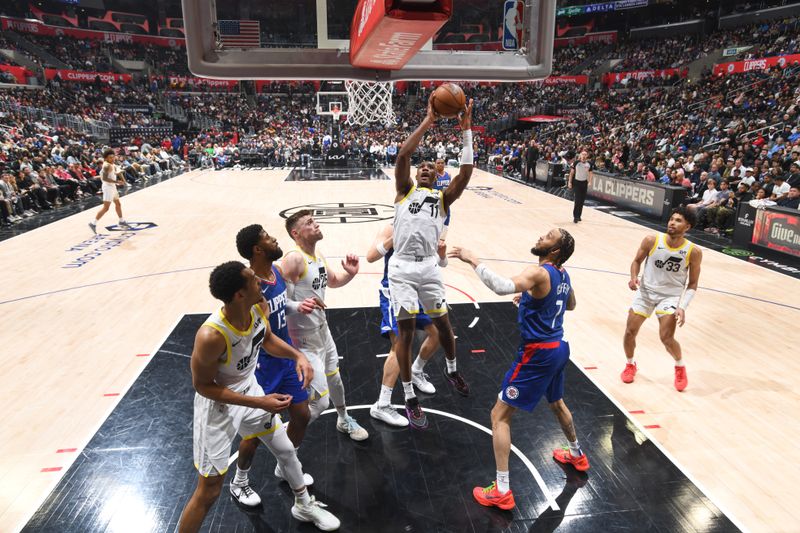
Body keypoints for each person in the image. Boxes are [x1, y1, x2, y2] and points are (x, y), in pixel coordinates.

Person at [178, 261, 339, 532]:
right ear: (239, 294)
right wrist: (259, 402)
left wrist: (297, 355)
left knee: (286, 449)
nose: (261, 282)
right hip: (218, 408)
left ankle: (303, 504)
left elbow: (265, 339)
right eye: (253, 280)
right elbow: (203, 386)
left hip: (249, 390)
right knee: (209, 491)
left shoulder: (257, 308)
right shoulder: (211, 335)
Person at [448, 228, 589, 511]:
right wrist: (531, 300)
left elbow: (501, 286)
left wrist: (472, 259)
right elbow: (569, 304)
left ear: (555, 251)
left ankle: (501, 490)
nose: (540, 237)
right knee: (557, 403)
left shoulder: (539, 273)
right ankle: (577, 455)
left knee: (499, 415)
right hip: (559, 348)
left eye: (548, 237)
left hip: (537, 354)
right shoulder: (563, 274)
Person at [389, 94, 473, 429]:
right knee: (406, 333)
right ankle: (409, 395)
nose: (423, 167)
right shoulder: (404, 191)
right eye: (420, 166)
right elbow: (403, 154)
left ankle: (452, 371)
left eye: (429, 167)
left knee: (444, 326)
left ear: (437, 177)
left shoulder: (443, 197)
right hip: (402, 268)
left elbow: (465, 173)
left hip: (427, 267)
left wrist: (465, 130)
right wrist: (429, 121)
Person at [231, 224, 321, 507]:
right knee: (257, 432)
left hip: (285, 358)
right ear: (258, 249)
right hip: (263, 366)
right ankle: (239, 482)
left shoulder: (277, 273)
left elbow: (284, 304)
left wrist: (299, 305)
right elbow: (257, 332)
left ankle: (285, 465)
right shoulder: (249, 286)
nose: (274, 239)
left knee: (302, 415)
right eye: (268, 238)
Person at [281, 210, 369, 441]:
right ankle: (282, 440)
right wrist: (298, 305)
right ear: (296, 233)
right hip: (303, 340)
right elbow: (279, 303)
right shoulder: (294, 259)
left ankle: (343, 419)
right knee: (320, 403)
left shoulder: (316, 255)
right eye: (310, 223)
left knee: (336, 379)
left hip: (323, 332)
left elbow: (333, 281)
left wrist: (349, 274)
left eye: (314, 220)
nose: (316, 224)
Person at [366, 223, 444, 427]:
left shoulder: (428, 225)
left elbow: (435, 261)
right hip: (394, 290)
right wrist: (396, 236)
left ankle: (416, 370)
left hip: (418, 289)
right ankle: (382, 405)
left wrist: (440, 255)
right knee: (399, 344)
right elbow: (371, 256)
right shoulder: (391, 227)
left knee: (438, 332)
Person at [621, 206, 703, 392]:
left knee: (666, 338)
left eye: (678, 221)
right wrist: (634, 277)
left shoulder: (693, 252)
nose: (672, 223)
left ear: (687, 227)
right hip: (646, 293)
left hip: (670, 296)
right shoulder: (652, 240)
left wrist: (683, 306)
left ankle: (679, 366)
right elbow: (636, 261)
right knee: (629, 332)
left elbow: (692, 284)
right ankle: (630, 364)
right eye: (671, 219)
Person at [89, 148, 130, 234]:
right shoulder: (106, 165)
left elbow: (118, 172)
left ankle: (121, 221)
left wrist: (124, 181)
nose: (113, 158)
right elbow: (104, 178)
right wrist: (117, 182)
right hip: (107, 187)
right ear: (106, 158)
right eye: (110, 157)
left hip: (112, 187)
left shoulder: (112, 164)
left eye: (113, 157)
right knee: (106, 208)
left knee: (118, 204)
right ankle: (93, 223)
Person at [567, 150, 593, 223]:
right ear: (580, 155)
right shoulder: (576, 163)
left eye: (585, 154)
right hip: (577, 183)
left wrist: (590, 181)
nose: (584, 156)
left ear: (587, 156)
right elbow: (571, 173)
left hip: (584, 183)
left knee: (582, 200)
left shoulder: (589, 164)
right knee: (577, 200)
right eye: (583, 154)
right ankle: (575, 216)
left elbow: (591, 173)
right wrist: (569, 182)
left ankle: (579, 216)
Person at [433, 159, 453, 240]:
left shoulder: (448, 175)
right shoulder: (433, 176)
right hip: (435, 201)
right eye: (438, 163)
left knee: (446, 220)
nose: (440, 164)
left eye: (442, 163)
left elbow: (450, 188)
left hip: (445, 201)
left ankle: (442, 239)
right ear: (435, 164)